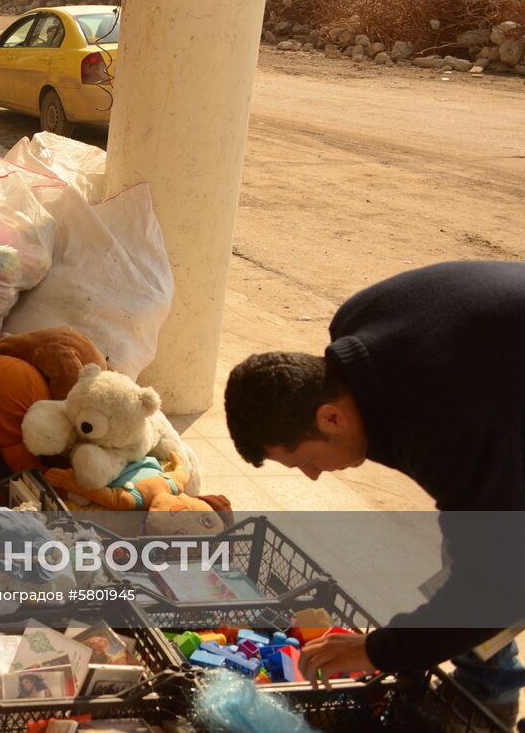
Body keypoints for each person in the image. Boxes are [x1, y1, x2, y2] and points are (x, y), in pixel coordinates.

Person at [223, 260, 525, 725]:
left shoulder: (444, 426)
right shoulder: (356, 331)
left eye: (306, 461)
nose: (313, 476)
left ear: (330, 418)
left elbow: (497, 588)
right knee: (476, 541)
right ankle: (487, 692)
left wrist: (378, 650)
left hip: (490, 403)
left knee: (491, 569)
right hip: (500, 393)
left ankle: (487, 705)